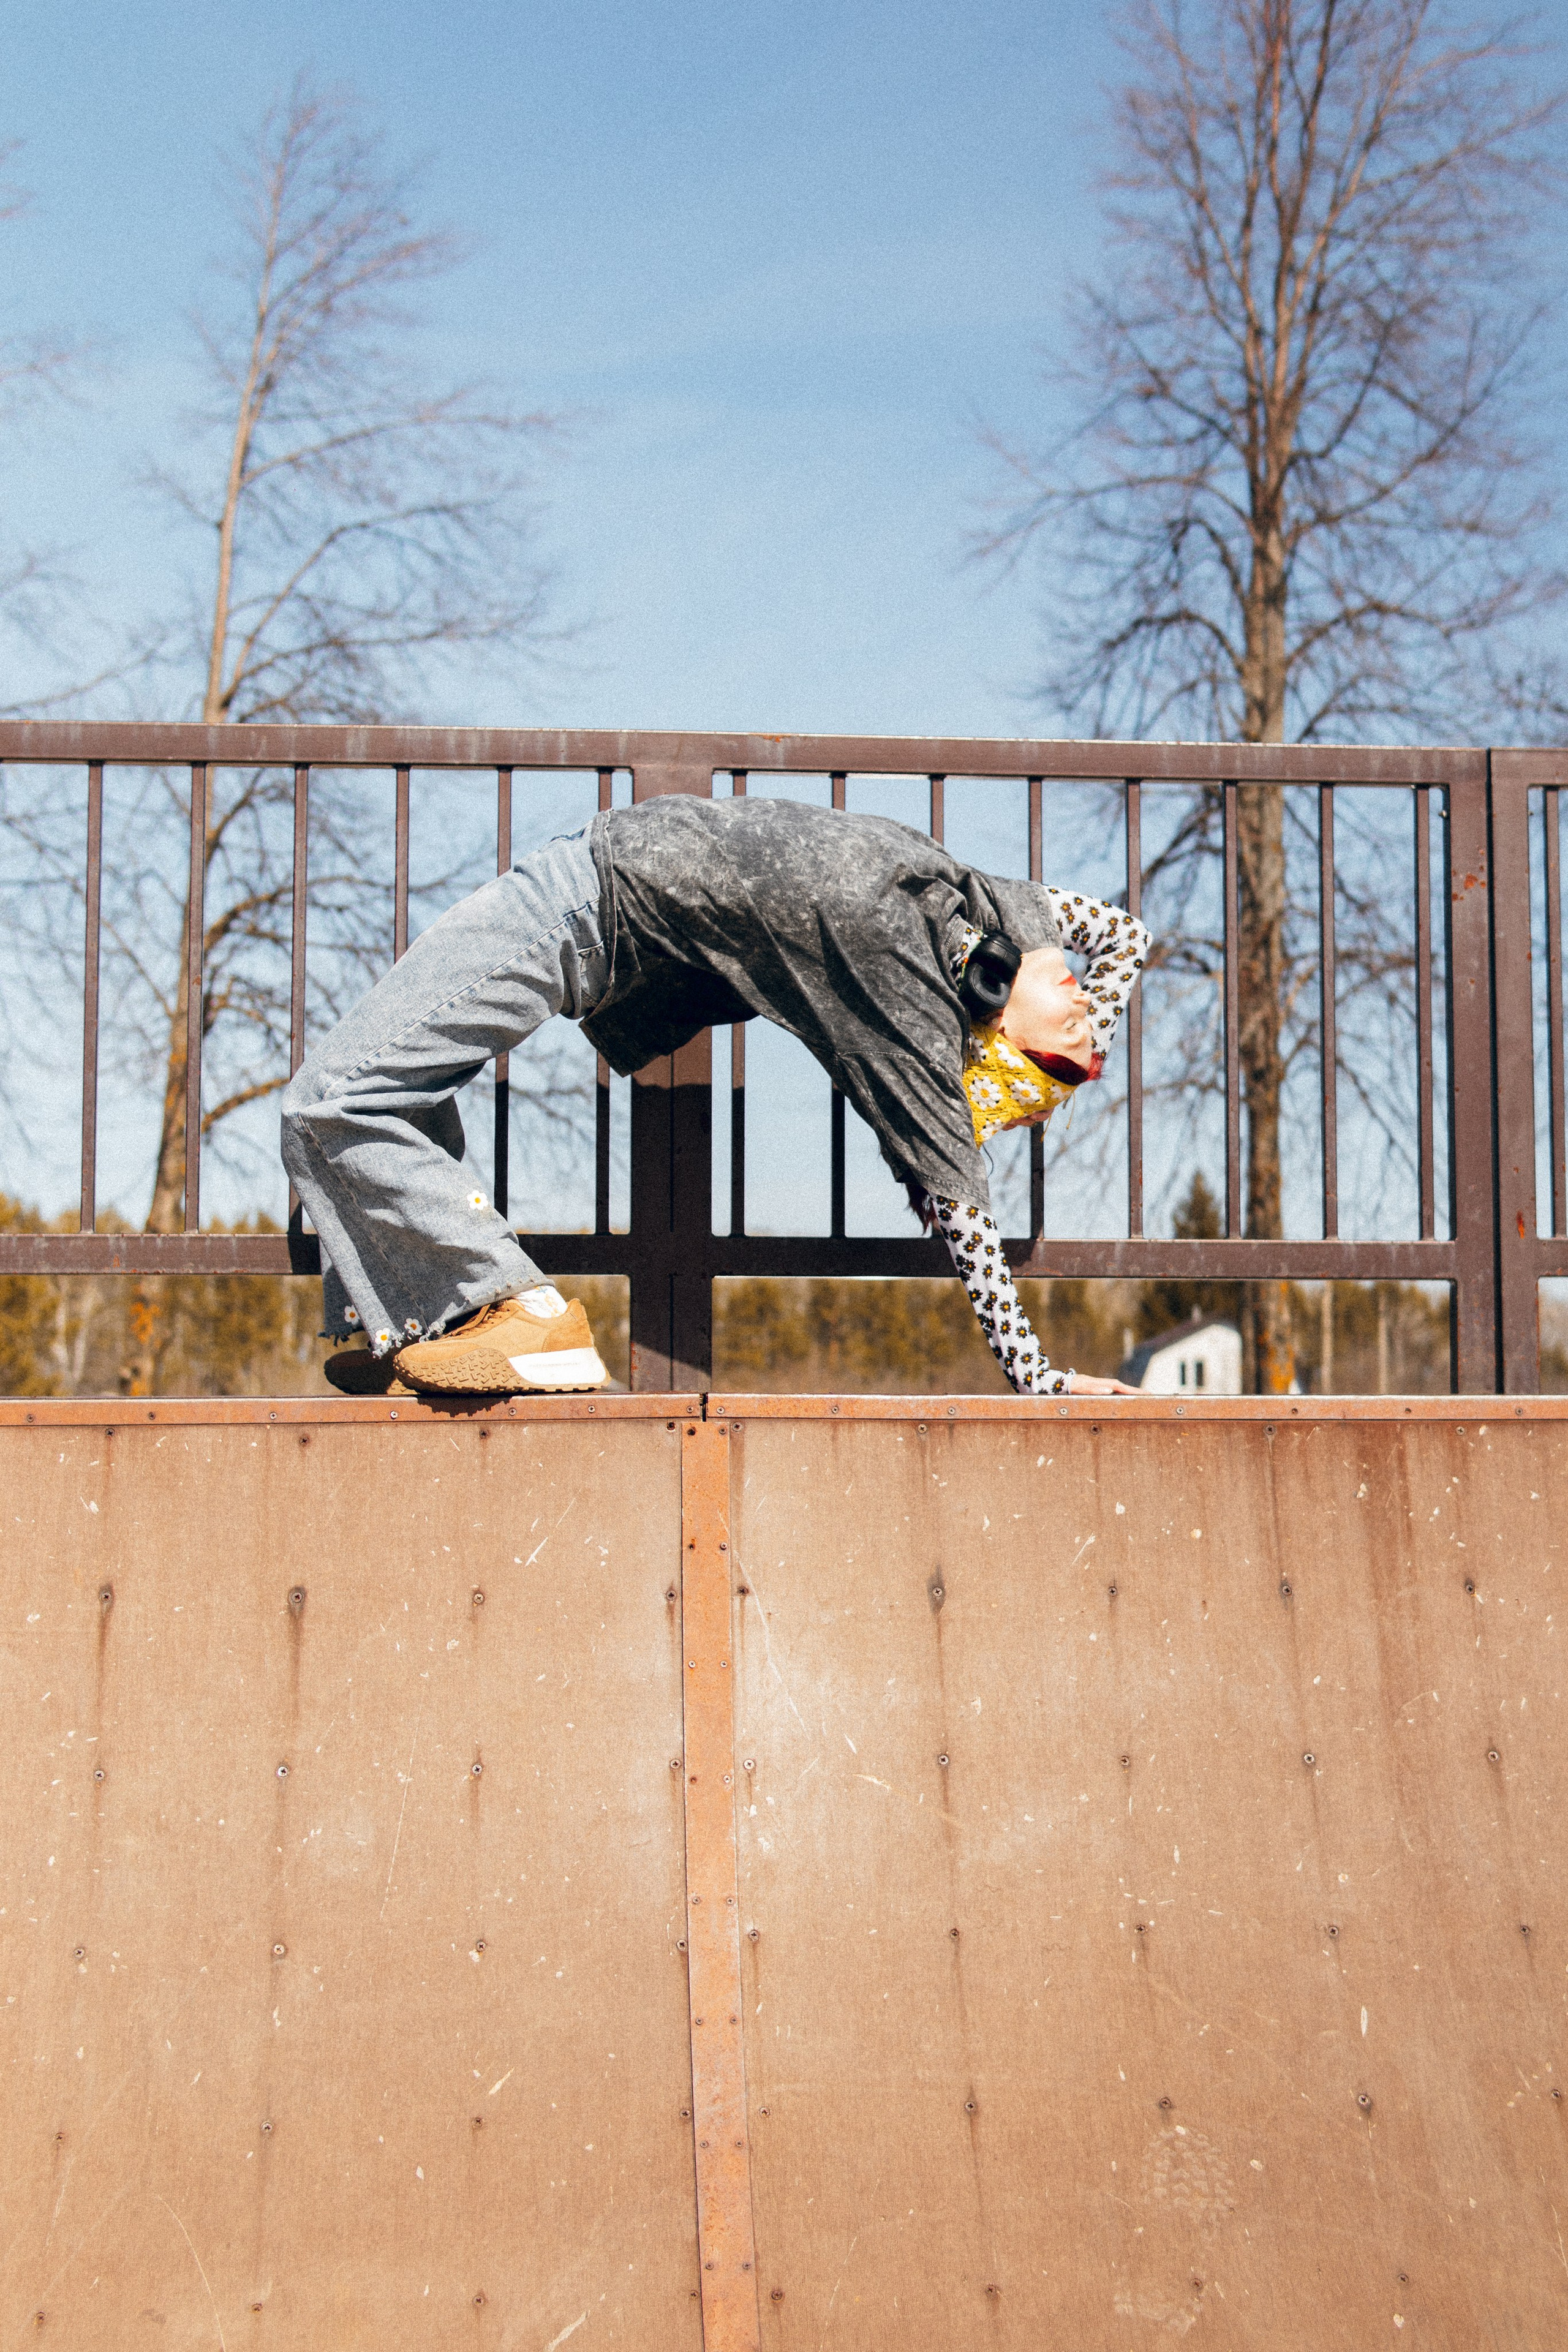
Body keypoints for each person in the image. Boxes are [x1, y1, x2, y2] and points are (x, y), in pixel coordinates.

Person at [279, 794, 1150, 1400]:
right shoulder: (985, 911)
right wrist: (1092, 1040)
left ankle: (513, 1311)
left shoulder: (906, 997)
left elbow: (965, 1209)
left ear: (996, 1026)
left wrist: (1037, 1376)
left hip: (580, 909)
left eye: (1067, 1041)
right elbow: (1127, 938)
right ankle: (404, 1319)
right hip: (588, 891)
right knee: (400, 1080)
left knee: (332, 1098)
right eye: (1081, 1009)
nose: (1082, 1008)